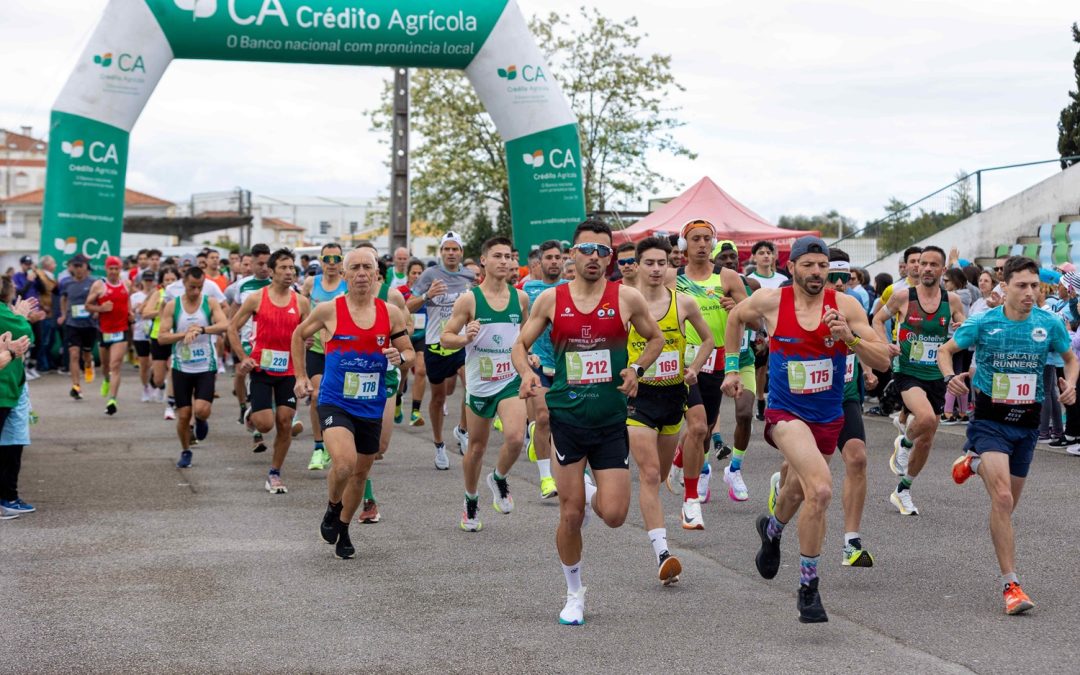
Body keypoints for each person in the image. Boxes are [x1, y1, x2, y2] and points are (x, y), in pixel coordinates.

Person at [723, 235, 890, 623]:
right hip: (785, 413)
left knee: (797, 492)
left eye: (823, 266)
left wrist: (849, 338)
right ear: (792, 267)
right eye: (809, 265)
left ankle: (772, 531)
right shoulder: (771, 302)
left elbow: (881, 360)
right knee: (821, 489)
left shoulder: (845, 305)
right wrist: (733, 366)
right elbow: (734, 318)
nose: (817, 272)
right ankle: (808, 587)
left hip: (828, 415)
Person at [511, 219, 664, 626]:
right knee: (570, 513)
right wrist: (526, 373)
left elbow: (656, 339)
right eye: (586, 250)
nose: (594, 258)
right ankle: (574, 592)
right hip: (567, 418)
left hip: (612, 419)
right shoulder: (550, 300)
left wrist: (636, 368)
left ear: (610, 258)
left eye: (602, 251)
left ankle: (592, 494)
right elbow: (520, 344)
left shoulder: (626, 298)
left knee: (613, 515)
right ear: (571, 255)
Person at [939, 255, 1077, 615]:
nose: (1030, 292)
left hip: (1027, 426)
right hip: (989, 421)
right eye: (1022, 285)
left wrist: (1070, 384)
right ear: (1006, 285)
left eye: (1035, 286)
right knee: (1001, 499)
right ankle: (1011, 584)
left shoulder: (1049, 323)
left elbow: (1070, 358)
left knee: (1008, 506)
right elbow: (946, 350)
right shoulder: (984, 321)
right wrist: (948, 377)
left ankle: (973, 461)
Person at [292, 247, 413, 559]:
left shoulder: (391, 312)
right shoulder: (329, 310)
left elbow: (409, 353)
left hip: (371, 404)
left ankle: (344, 527)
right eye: (355, 267)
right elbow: (298, 334)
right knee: (344, 463)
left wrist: (400, 357)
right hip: (335, 401)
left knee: (360, 473)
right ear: (344, 275)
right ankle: (333, 507)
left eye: (367, 267)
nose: (361, 273)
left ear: (376, 275)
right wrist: (302, 376)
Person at [767, 247, 879, 568]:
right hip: (796, 406)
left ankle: (851, 541)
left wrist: (860, 353)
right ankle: (779, 521)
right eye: (835, 276)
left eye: (843, 276)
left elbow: (876, 352)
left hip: (842, 397)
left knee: (856, 458)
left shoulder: (848, 307)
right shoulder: (790, 302)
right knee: (803, 487)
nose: (839, 283)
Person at [624, 236, 713, 584]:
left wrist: (695, 367)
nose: (657, 269)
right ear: (637, 265)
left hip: (673, 396)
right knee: (647, 474)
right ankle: (663, 551)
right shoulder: (625, 303)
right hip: (638, 398)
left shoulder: (684, 303)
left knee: (659, 475)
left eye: (663, 263)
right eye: (650, 263)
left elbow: (707, 340)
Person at [440, 237, 531, 531]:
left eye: (508, 256)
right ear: (483, 261)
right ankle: (471, 499)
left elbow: (525, 336)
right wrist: (465, 337)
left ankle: (499, 478)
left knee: (516, 437)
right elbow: (446, 336)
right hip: (480, 384)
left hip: (509, 380)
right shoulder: (470, 299)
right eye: (497, 256)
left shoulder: (521, 298)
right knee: (476, 449)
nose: (504, 261)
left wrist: (530, 359)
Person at [872, 246, 965, 516]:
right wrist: (884, 345)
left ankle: (903, 489)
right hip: (907, 370)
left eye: (933, 264)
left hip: (936, 372)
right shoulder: (903, 297)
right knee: (923, 418)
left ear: (942, 270)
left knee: (928, 436)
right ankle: (903, 443)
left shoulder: (953, 301)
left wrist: (961, 329)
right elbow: (877, 320)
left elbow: (966, 329)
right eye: (922, 263)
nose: (926, 268)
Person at [669, 222, 748, 528]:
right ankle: (691, 495)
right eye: (695, 239)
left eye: (707, 239)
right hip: (683, 361)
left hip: (716, 360)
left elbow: (751, 314)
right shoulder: (672, 278)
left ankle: (681, 458)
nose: (702, 244)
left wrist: (737, 305)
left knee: (703, 429)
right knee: (698, 425)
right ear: (684, 243)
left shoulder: (726, 276)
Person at [229, 248, 310, 493]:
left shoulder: (301, 302)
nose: (289, 272)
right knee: (264, 425)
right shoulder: (256, 298)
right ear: (272, 271)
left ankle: (275, 473)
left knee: (285, 422)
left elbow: (310, 333)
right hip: (262, 368)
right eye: (283, 268)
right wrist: (243, 358)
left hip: (289, 371)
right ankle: (252, 411)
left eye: (292, 268)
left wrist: (308, 342)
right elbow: (232, 328)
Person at [406, 232, 475, 469]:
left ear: (461, 252)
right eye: (447, 249)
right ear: (441, 252)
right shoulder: (430, 274)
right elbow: (408, 307)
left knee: (472, 386)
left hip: (462, 342)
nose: (451, 253)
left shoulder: (470, 275)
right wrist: (427, 295)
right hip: (436, 344)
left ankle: (463, 430)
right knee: (438, 397)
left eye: (455, 249)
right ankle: (439, 444)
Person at [157, 267, 229, 468]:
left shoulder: (210, 303)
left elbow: (225, 325)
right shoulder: (173, 306)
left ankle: (202, 420)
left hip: (206, 366)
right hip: (182, 367)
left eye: (199, 287)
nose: (196, 292)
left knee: (201, 410)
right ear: (184, 284)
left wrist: (202, 329)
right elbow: (162, 337)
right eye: (192, 287)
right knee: (184, 415)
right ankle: (186, 450)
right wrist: (184, 334)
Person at [520, 240, 568, 500]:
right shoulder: (528, 289)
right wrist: (527, 352)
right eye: (548, 258)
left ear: (563, 261)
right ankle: (546, 478)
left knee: (564, 420)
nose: (553, 262)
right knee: (544, 417)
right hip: (538, 364)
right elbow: (523, 325)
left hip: (564, 364)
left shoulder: (570, 289)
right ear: (540, 262)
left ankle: (570, 467)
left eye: (557, 257)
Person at [300, 243, 347, 472]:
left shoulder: (348, 284)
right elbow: (302, 309)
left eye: (335, 258)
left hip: (341, 351)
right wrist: (304, 334)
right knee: (318, 394)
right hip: (317, 350)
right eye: (326, 259)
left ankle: (337, 443)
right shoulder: (311, 283)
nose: (331, 264)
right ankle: (318, 447)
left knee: (339, 397)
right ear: (320, 261)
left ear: (342, 260)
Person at [230, 244, 272, 448]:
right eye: (260, 263)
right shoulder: (243, 285)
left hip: (273, 344)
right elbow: (234, 314)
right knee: (251, 377)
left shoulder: (281, 285)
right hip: (248, 343)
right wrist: (230, 335)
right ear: (251, 263)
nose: (264, 267)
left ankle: (253, 414)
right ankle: (255, 426)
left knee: (268, 384)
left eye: (268, 263)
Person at [0, 276, 36, 519]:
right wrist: (21, 317)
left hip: (11, 390)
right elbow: (26, 336)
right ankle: (8, 498)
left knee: (12, 445)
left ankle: (8, 497)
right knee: (10, 448)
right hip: (5, 391)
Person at [85, 256, 131, 415]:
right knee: (105, 367)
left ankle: (112, 400)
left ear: (120, 269)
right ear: (106, 269)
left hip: (121, 329)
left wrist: (130, 313)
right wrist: (101, 309)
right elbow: (88, 305)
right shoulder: (99, 285)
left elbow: (127, 301)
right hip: (104, 330)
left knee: (115, 365)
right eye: (111, 268)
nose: (113, 271)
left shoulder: (126, 283)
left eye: (116, 268)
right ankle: (105, 379)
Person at [58, 254, 97, 400]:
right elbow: (63, 299)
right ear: (72, 268)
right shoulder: (66, 282)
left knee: (86, 354)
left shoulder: (93, 282)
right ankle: (76, 386)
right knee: (74, 354)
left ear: (86, 267)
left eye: (81, 266)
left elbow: (99, 299)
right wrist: (63, 314)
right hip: (72, 324)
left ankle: (88, 364)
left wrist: (96, 312)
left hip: (89, 324)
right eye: (75, 266)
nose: (78, 269)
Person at [146, 267, 180, 411]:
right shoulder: (158, 294)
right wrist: (160, 311)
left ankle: (174, 400)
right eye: (167, 280)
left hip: (176, 337)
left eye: (173, 279)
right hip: (158, 337)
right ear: (162, 282)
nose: (170, 282)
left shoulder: (182, 295)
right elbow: (145, 313)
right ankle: (161, 385)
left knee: (174, 369)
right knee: (158, 379)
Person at [400, 259, 429, 427]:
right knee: (403, 372)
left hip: (422, 335)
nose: (417, 276)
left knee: (421, 370)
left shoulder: (429, 292)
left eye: (420, 273)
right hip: (404, 336)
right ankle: (398, 397)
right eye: (414, 273)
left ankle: (415, 412)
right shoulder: (400, 291)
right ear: (408, 274)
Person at [130, 271, 154, 401]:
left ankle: (156, 381)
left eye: (151, 280)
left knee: (155, 361)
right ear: (142, 281)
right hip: (140, 332)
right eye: (146, 280)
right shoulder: (135, 296)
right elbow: (133, 313)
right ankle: (145, 387)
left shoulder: (158, 295)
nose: (149, 282)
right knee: (144, 364)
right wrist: (135, 307)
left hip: (155, 331)